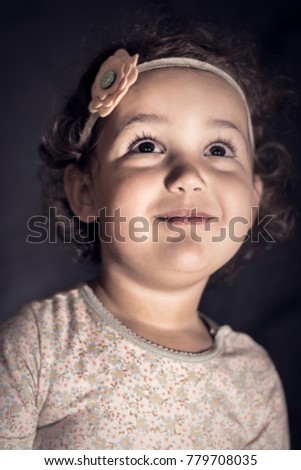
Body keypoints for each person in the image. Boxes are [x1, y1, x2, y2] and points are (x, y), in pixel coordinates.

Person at [0, 19, 294, 450]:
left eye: (218, 149)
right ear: (85, 191)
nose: (189, 175)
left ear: (253, 196)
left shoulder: (253, 377)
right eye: (146, 146)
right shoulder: (38, 348)